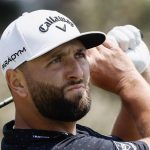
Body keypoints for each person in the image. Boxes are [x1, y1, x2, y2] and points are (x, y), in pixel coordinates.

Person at [0, 9, 150, 150]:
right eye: (56, 60)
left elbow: (121, 144)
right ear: (16, 82)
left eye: (79, 55)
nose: (78, 73)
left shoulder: (25, 138)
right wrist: (128, 80)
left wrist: (139, 75)